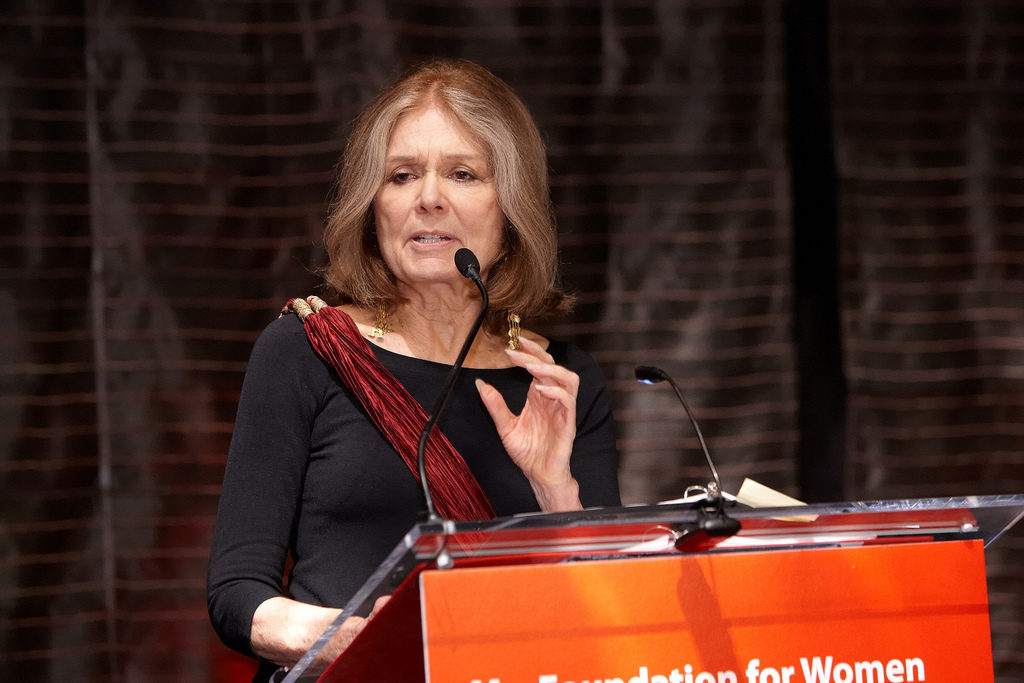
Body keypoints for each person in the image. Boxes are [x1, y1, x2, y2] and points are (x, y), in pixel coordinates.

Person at [206, 58, 620, 681]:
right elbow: (237, 593)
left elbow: (607, 610)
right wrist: (355, 638)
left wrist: (553, 490)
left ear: (511, 211)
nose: (429, 198)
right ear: (374, 208)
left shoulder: (557, 380)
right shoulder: (306, 350)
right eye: (401, 176)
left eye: (462, 173)